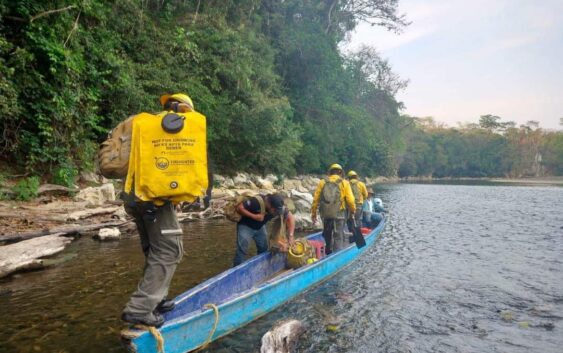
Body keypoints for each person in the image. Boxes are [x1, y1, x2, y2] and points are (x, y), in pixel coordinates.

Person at [120, 93, 211, 328]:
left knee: (154, 250)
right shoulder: (175, 130)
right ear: (185, 109)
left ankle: (157, 298)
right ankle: (140, 308)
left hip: (134, 196)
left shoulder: (148, 125)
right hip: (155, 201)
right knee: (169, 251)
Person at [233, 193, 295, 266]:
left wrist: (291, 236)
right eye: (274, 210)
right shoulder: (255, 202)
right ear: (269, 205)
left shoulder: (278, 208)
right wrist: (255, 216)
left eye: (277, 211)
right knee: (242, 249)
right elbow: (239, 208)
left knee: (263, 247)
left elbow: (290, 218)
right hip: (246, 226)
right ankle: (237, 268)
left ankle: (261, 266)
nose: (276, 213)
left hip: (260, 227)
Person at [311, 164, 356, 254]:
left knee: (327, 233)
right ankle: (336, 254)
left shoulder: (322, 182)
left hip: (326, 212)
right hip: (339, 212)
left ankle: (328, 251)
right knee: (338, 235)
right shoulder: (344, 183)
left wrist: (314, 213)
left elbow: (316, 199)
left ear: (330, 172)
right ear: (340, 172)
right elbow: (350, 200)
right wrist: (353, 210)